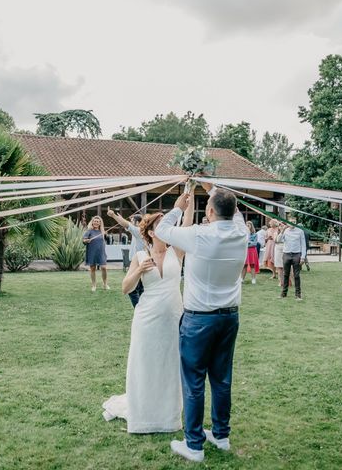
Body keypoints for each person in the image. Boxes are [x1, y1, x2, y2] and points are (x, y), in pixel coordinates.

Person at [155, 183, 248, 463]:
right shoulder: (241, 231)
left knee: (194, 380)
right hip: (229, 318)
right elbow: (235, 210)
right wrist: (211, 187)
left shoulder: (198, 235)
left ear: (208, 211)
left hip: (199, 320)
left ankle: (194, 444)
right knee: (222, 379)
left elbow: (160, 231)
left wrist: (178, 207)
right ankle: (221, 435)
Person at [102, 198, 194, 433]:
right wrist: (139, 272)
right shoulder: (140, 257)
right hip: (147, 318)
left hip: (174, 317)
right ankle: (143, 414)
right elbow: (125, 288)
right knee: (146, 364)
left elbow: (188, 221)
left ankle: (168, 416)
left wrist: (189, 196)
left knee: (170, 364)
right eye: (162, 225)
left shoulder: (177, 251)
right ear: (152, 232)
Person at [107, 208, 145, 307]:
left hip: (139, 263)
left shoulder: (139, 231)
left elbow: (126, 224)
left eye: (133, 221)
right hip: (137, 262)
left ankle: (139, 309)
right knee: (140, 289)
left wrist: (113, 216)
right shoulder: (138, 232)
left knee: (132, 289)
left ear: (137, 222)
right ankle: (142, 309)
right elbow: (125, 224)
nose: (131, 223)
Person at [279, 218, 306, 300]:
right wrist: (282, 230)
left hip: (296, 254)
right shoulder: (285, 231)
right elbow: (278, 240)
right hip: (286, 254)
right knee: (285, 274)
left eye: (294, 222)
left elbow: (303, 245)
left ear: (296, 222)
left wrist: (303, 257)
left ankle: (298, 295)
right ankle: (283, 294)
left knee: (296, 275)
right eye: (291, 222)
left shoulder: (300, 231)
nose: (292, 223)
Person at [83, 216, 109, 292]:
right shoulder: (89, 231)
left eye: (98, 221)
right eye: (95, 221)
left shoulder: (102, 231)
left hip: (101, 252)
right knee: (93, 269)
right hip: (92, 252)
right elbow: (84, 240)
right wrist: (86, 240)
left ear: (100, 223)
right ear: (92, 222)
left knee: (103, 267)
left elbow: (106, 240)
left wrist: (106, 234)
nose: (96, 222)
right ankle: (94, 285)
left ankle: (105, 284)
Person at [274, 223, 286, 287]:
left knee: (286, 267)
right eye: (280, 226)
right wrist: (281, 232)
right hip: (278, 250)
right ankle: (281, 281)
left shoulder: (287, 233)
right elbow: (277, 240)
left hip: (285, 250)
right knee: (279, 267)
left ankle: (287, 281)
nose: (281, 227)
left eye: (283, 226)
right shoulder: (276, 233)